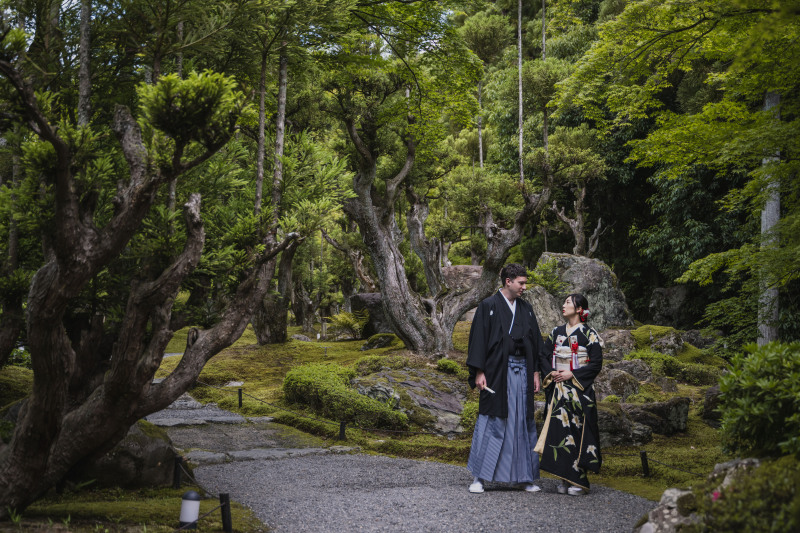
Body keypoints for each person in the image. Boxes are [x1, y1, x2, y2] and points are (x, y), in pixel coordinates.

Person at [466, 263, 543, 494]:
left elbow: (535, 342)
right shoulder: (488, 306)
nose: (524, 287)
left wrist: (536, 372)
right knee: (493, 421)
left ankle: (525, 477)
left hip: (523, 370)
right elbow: (478, 339)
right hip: (497, 372)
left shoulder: (526, 308)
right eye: (521, 282)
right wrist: (479, 371)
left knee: (522, 420)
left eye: (525, 282)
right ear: (508, 281)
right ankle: (479, 477)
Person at [534, 293, 603, 495]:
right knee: (559, 431)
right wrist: (552, 372)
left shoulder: (590, 334)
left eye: (567, 302)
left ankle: (579, 479)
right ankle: (564, 478)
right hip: (558, 388)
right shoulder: (556, 332)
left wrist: (572, 373)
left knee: (577, 432)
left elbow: (596, 363)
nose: (563, 305)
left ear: (580, 309)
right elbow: (543, 355)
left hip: (578, 389)